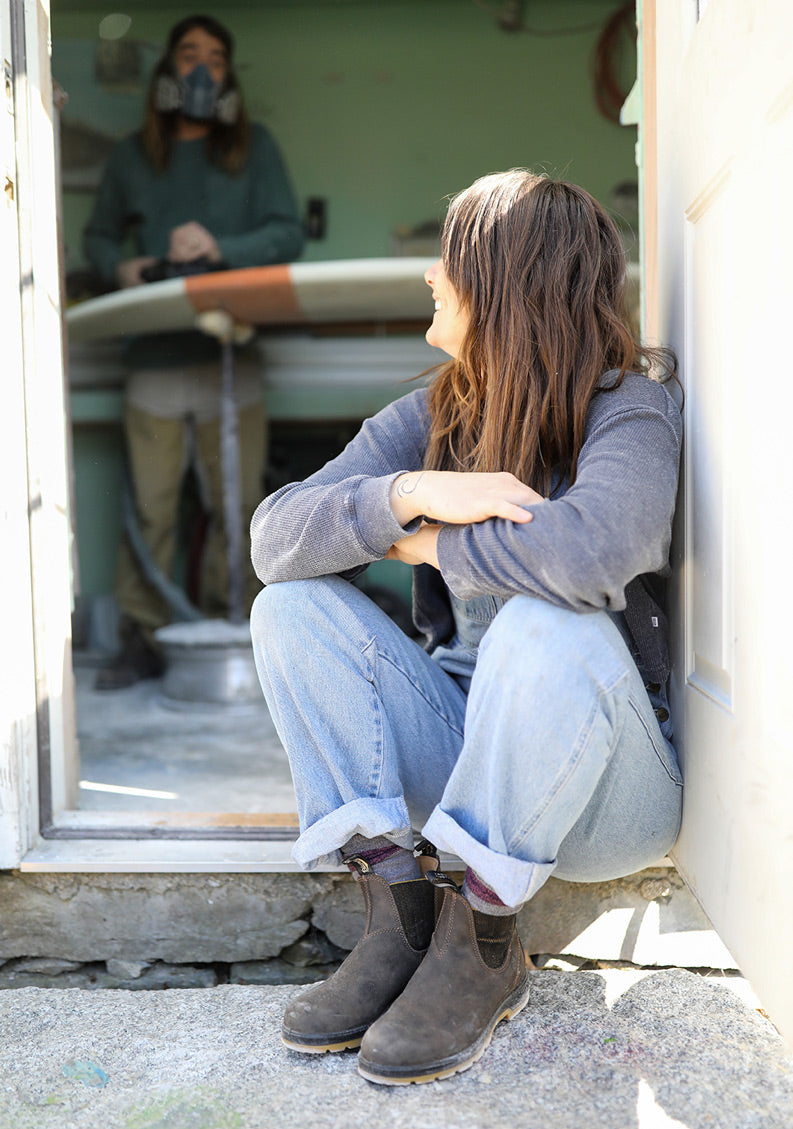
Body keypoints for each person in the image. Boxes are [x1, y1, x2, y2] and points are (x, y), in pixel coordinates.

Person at [249, 169, 683, 1085]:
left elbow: (593, 555)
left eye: (449, 257)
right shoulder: (434, 413)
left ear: (505, 280)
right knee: (290, 606)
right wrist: (405, 491)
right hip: (461, 751)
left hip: (606, 792)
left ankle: (483, 940)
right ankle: (402, 912)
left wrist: (430, 545)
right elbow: (274, 536)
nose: (429, 276)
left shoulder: (628, 408)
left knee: (542, 622)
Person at [84, 14, 304, 689]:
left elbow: (287, 234)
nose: (202, 69)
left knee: (235, 506)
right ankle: (144, 637)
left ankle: (230, 631)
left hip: (228, 356)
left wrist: (218, 251)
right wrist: (122, 269)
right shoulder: (130, 157)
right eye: (188, 55)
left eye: (215, 57)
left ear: (228, 78)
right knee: (150, 508)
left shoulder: (253, 148)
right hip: (152, 358)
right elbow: (95, 239)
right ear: (167, 72)